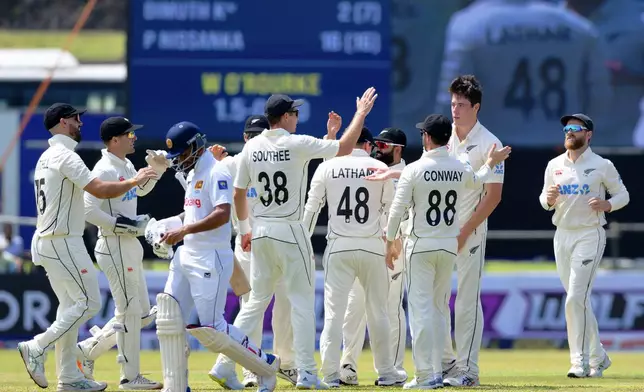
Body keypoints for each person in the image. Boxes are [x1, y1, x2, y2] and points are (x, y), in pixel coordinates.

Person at [213, 87, 379, 389]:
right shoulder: (296, 143)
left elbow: (238, 193)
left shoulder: (251, 147)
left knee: (254, 304)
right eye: (295, 113)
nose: (298, 118)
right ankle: (306, 373)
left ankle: (224, 364)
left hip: (261, 231)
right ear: (285, 117)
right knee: (301, 303)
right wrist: (360, 114)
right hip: (290, 229)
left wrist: (245, 229)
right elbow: (343, 147)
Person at [18, 103, 158, 391]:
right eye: (75, 118)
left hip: (50, 240)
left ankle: (69, 377)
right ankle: (37, 346)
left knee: (70, 307)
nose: (80, 122)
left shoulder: (48, 156)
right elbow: (98, 190)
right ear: (61, 122)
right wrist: (133, 180)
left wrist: (141, 177)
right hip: (63, 241)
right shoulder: (65, 156)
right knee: (89, 302)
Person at [381, 114, 510, 389]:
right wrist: (491, 162)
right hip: (448, 246)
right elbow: (477, 182)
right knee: (439, 309)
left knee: (421, 311)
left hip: (421, 246)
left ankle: (426, 375)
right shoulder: (459, 166)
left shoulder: (414, 170)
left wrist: (390, 242)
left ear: (427, 137)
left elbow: (396, 211)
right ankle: (439, 369)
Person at [151, 121, 280, 392]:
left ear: (197, 147)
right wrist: (168, 225)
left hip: (211, 256)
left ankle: (266, 367)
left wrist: (184, 229)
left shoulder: (217, 171)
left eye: (183, 154)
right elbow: (194, 213)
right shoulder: (193, 171)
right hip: (187, 254)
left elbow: (222, 214)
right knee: (168, 318)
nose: (180, 161)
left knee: (212, 329)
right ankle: (176, 387)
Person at [302, 126, 406, 387]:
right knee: (379, 312)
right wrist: (392, 244)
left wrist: (302, 243)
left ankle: (330, 375)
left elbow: (312, 208)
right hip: (372, 248)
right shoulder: (379, 169)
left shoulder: (328, 167)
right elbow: (392, 211)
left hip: (339, 247)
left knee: (334, 315)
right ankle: (387, 373)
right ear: (369, 145)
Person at [434, 0, 612, 146]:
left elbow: (453, 98)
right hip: (559, 147)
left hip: (492, 150)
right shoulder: (578, 27)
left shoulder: (468, 24)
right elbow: (600, 97)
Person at [78, 117, 166, 389]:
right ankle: (130, 377)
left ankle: (87, 351)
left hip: (129, 244)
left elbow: (136, 190)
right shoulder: (103, 169)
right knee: (129, 311)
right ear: (114, 139)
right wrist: (122, 226)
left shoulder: (125, 164)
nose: (134, 138)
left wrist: (157, 171)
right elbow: (89, 210)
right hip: (114, 243)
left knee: (140, 315)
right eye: (129, 134)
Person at [539, 113, 629, 378]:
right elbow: (544, 198)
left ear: (588, 134)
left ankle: (579, 361)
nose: (569, 132)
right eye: (566, 128)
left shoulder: (602, 165)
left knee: (575, 298)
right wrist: (549, 198)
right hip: (562, 235)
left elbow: (623, 194)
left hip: (590, 234)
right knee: (579, 301)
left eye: (575, 128)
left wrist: (608, 204)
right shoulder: (554, 165)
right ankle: (599, 356)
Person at [213, 115, 296, 388]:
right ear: (246, 137)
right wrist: (211, 162)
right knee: (253, 308)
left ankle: (285, 363)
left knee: (284, 304)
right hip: (249, 245)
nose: (256, 137)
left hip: (271, 241)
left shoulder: (272, 160)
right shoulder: (231, 163)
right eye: (252, 134)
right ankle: (250, 368)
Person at [441, 75, 505, 387]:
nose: (455, 110)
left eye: (462, 105)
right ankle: (446, 364)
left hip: (472, 232)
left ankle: (469, 371)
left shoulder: (490, 143)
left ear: (476, 107)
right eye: (453, 103)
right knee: (434, 299)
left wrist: (465, 231)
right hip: (437, 231)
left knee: (467, 300)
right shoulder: (443, 138)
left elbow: (494, 196)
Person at [340, 127, 409, 385]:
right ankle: (348, 365)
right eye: (376, 143)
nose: (378, 148)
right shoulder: (369, 168)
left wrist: (398, 238)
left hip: (395, 248)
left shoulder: (407, 172)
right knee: (354, 306)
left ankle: (394, 368)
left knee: (391, 308)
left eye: (384, 144)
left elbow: (408, 210)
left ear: (398, 148)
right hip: (367, 246)